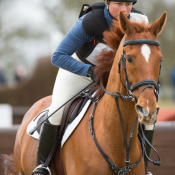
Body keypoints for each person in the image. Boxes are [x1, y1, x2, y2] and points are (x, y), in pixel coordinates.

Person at [32, 1, 153, 175]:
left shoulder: (139, 19)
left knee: (148, 115)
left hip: (116, 77)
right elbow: (58, 56)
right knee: (56, 113)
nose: (125, 10)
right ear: (107, 2)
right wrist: (90, 71)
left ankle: (145, 168)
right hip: (80, 72)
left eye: (128, 3)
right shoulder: (89, 22)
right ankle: (42, 166)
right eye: (119, 3)